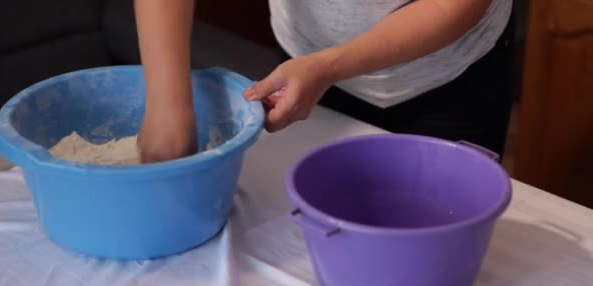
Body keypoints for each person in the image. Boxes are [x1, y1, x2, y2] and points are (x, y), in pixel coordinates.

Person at [135, 0, 514, 163]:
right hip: (307, 60)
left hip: (449, 75)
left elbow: (452, 5)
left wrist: (329, 66)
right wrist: (168, 104)